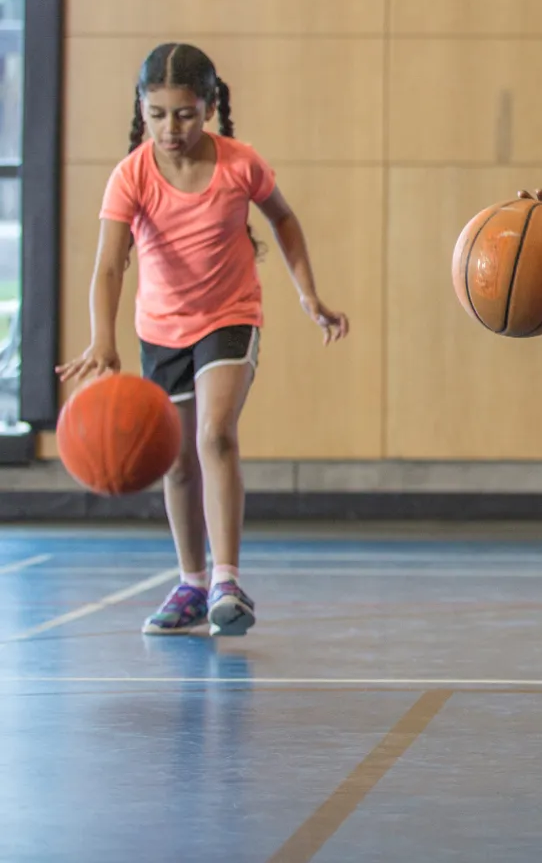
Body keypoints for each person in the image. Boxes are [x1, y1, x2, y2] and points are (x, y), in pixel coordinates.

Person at [59, 43, 349, 637]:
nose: (171, 127)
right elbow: (110, 266)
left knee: (215, 435)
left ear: (210, 106)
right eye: (158, 113)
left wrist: (307, 294)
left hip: (229, 316)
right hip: (160, 329)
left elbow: (284, 219)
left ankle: (226, 579)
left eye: (185, 113)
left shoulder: (240, 164)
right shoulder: (131, 175)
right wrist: (101, 340)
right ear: (141, 109)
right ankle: (190, 583)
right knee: (176, 459)